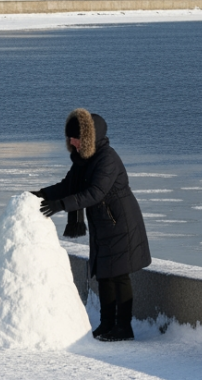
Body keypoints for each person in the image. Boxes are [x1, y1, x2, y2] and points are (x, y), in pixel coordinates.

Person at [34, 109, 150, 342]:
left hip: (121, 223)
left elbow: (95, 193)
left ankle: (123, 328)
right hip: (103, 224)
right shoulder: (83, 160)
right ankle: (107, 324)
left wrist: (61, 205)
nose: (71, 142)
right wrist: (40, 194)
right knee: (104, 275)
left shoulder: (107, 159)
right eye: (69, 138)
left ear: (87, 138)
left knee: (119, 275)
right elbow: (68, 185)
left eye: (75, 138)